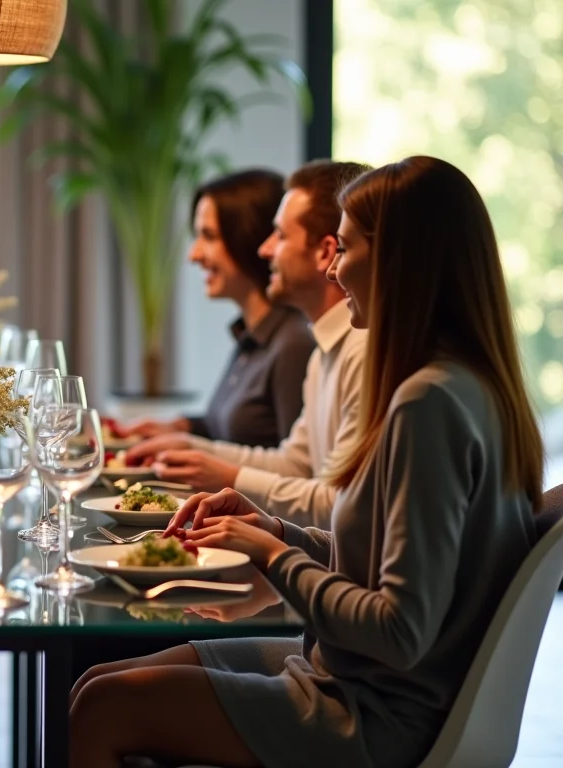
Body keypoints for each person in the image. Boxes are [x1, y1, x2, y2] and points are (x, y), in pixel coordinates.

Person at [69, 156, 543, 768]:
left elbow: (397, 631)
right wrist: (278, 531)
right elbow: (390, 567)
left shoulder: (428, 404)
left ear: (400, 258)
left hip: (372, 713)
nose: (335, 269)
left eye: (344, 248)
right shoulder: (466, 385)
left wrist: (273, 556)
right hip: (354, 678)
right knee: (93, 685)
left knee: (102, 707)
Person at [127, 160, 373, 527]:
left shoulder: (353, 350)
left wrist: (228, 476)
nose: (265, 249)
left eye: (280, 235)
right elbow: (296, 463)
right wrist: (192, 449)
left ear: (325, 252)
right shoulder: (323, 349)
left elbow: (343, 507)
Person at [117, 169, 313, 447]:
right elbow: (228, 428)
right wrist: (178, 426)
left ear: (249, 237)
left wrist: (189, 445)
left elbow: (295, 471)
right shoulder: (252, 336)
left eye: (208, 236)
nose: (194, 254)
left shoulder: (292, 345)